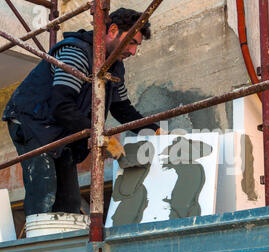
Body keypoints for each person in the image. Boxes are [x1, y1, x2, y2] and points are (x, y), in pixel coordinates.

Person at [2, 8, 164, 217]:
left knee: (69, 201)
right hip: (32, 120)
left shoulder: (115, 68)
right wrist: (101, 136)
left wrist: (155, 130)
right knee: (44, 189)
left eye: (137, 46)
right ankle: (40, 240)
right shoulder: (76, 52)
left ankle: (62, 243)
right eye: (131, 42)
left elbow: (122, 108)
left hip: (63, 127)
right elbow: (61, 105)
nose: (133, 51)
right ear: (112, 30)